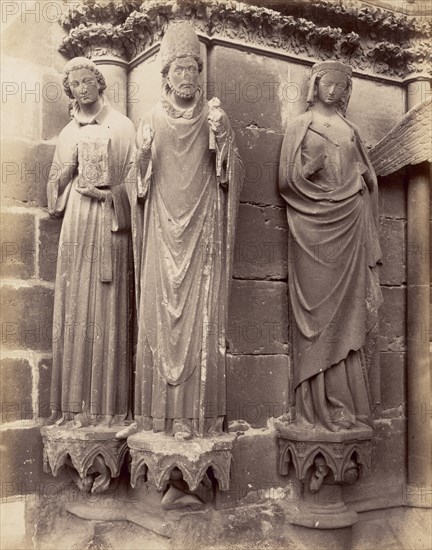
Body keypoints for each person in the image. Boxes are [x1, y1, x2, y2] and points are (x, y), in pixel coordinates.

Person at [120, 22, 244, 440]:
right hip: (161, 230)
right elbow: (135, 185)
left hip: (202, 231)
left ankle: (197, 419)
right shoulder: (151, 119)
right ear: (166, 76)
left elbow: (232, 177)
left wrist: (224, 137)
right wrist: (140, 153)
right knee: (158, 314)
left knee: (200, 321)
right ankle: (156, 419)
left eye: (194, 69)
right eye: (179, 70)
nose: (187, 77)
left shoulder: (214, 117)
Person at [279, 60, 382, 432]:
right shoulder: (299, 126)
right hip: (312, 232)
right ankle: (315, 406)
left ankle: (346, 405)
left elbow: (369, 179)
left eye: (342, 87)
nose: (334, 91)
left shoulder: (351, 129)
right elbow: (286, 181)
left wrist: (364, 181)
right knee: (318, 317)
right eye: (328, 84)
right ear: (315, 85)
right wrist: (308, 171)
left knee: (350, 313)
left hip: (350, 226)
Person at [47, 57, 135, 428]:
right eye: (75, 85)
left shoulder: (123, 127)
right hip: (76, 226)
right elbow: (52, 196)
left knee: (107, 309)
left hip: (107, 225)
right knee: (74, 308)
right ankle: (73, 408)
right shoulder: (68, 133)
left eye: (87, 81)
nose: (82, 89)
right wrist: (65, 176)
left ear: (100, 82)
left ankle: (108, 409)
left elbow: (136, 182)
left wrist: (108, 195)